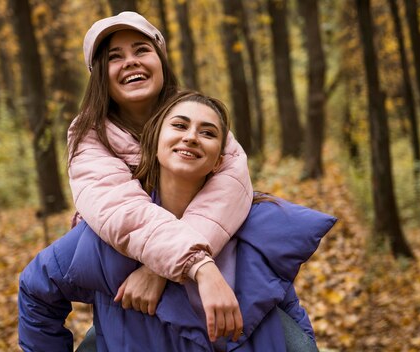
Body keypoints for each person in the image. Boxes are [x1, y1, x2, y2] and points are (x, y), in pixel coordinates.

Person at [18, 91, 337, 351]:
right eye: (180, 126)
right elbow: (36, 289)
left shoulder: (253, 223)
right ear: (154, 143)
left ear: (219, 161)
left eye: (208, 132)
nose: (192, 137)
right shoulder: (111, 232)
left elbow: (288, 312)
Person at [66, 11, 254, 341]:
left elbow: (230, 188)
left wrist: (161, 270)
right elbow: (122, 211)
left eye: (141, 50)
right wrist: (188, 263)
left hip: (218, 277)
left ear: (160, 60)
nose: (131, 62)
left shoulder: (197, 115)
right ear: (99, 75)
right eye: (115, 57)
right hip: (132, 298)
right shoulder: (89, 135)